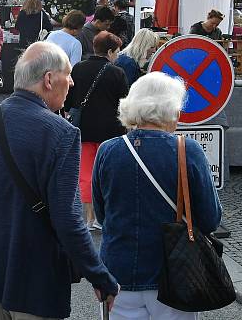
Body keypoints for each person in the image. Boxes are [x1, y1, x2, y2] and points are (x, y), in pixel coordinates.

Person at [0, 41, 119, 319]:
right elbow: (68, 219)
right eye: (68, 74)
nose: (72, 82)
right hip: (33, 282)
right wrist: (99, 275)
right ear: (49, 79)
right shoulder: (60, 132)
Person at [93, 72, 222, 320]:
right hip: (174, 273)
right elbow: (209, 219)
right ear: (171, 109)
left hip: (119, 271)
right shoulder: (188, 150)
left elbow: (103, 215)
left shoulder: (107, 151)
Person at [65, 31, 129, 230]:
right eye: (116, 51)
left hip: (83, 127)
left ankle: (88, 218)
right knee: (106, 172)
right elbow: (124, 102)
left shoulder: (79, 68)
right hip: (111, 130)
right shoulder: (117, 72)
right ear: (109, 51)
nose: (117, 55)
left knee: (85, 173)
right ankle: (102, 217)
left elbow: (69, 98)